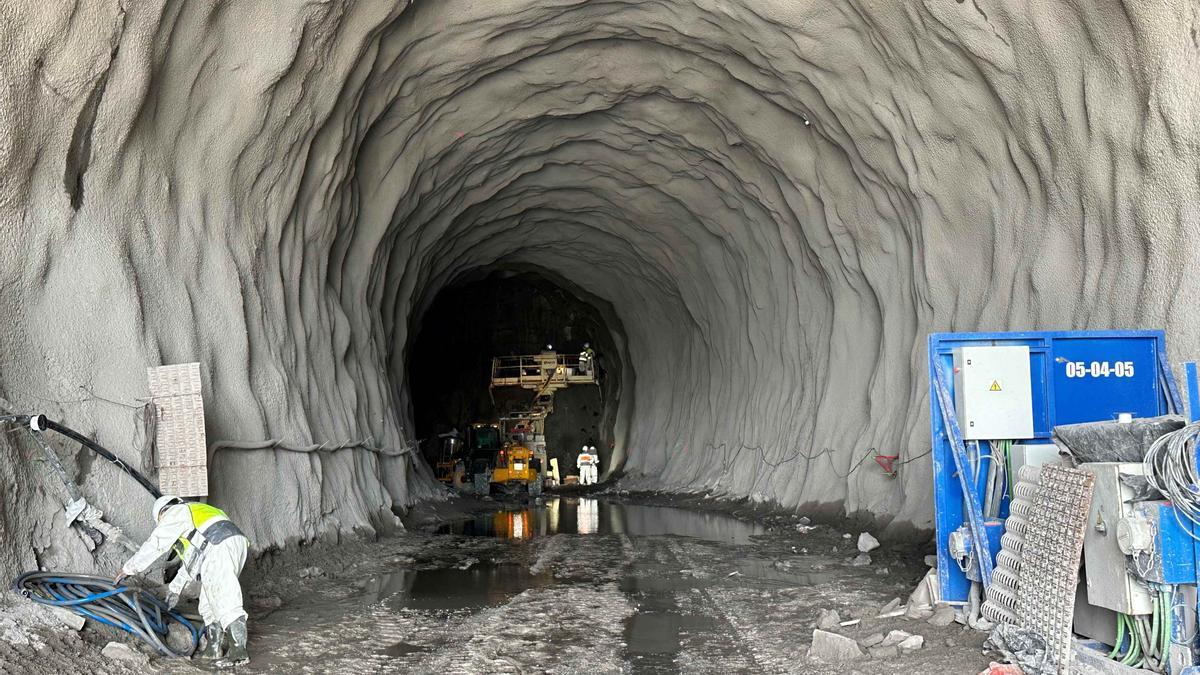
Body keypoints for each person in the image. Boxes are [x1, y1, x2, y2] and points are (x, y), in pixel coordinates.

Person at [116, 495, 250, 667]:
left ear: (162, 513)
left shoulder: (177, 512)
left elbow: (156, 544)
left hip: (218, 547)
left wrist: (129, 568)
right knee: (209, 604)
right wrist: (175, 589)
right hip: (228, 544)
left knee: (225, 598)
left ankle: (239, 653)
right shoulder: (197, 518)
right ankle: (213, 650)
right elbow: (191, 563)